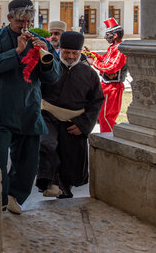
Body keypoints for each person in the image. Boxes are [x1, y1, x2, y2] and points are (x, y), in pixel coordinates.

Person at [0, 0, 62, 214]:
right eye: (20, 22)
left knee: (28, 162)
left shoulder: (40, 41)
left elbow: (54, 76)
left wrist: (47, 54)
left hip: (29, 110)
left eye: (28, 22)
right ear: (9, 18)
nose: (25, 27)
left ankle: (15, 196)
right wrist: (17, 52)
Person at [35, 31, 104, 198]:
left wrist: (83, 124)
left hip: (74, 122)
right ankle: (49, 182)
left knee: (70, 156)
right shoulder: (50, 66)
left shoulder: (89, 74)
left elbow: (97, 101)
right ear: (60, 50)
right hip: (48, 116)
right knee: (47, 144)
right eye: (67, 52)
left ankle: (63, 189)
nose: (71, 56)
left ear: (80, 53)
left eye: (75, 53)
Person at [84, 18, 127, 132]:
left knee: (106, 117)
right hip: (107, 86)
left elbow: (111, 68)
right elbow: (105, 59)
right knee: (102, 116)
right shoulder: (113, 48)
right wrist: (92, 54)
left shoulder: (120, 49)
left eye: (108, 34)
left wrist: (94, 63)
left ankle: (111, 139)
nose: (106, 37)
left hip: (113, 87)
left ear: (116, 35)